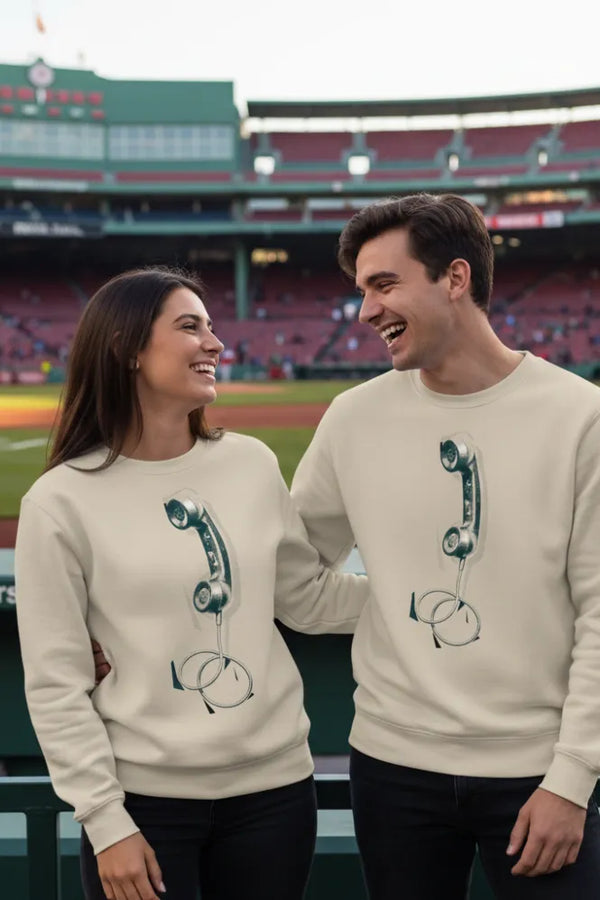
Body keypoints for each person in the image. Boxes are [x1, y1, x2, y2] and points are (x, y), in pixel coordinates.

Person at [14, 267, 368, 900]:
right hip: (142, 808)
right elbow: (56, 685)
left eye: (211, 326)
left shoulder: (251, 463)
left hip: (276, 796)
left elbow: (306, 597)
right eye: (189, 327)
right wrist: (105, 821)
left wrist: (435, 593)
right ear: (126, 348)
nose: (215, 343)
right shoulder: (59, 502)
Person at [290, 194, 600, 899]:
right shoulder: (353, 417)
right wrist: (394, 604)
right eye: (361, 290)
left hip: (540, 775)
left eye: (384, 284)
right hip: (390, 770)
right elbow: (290, 578)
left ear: (455, 279)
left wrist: (574, 777)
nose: (365, 310)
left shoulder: (581, 418)